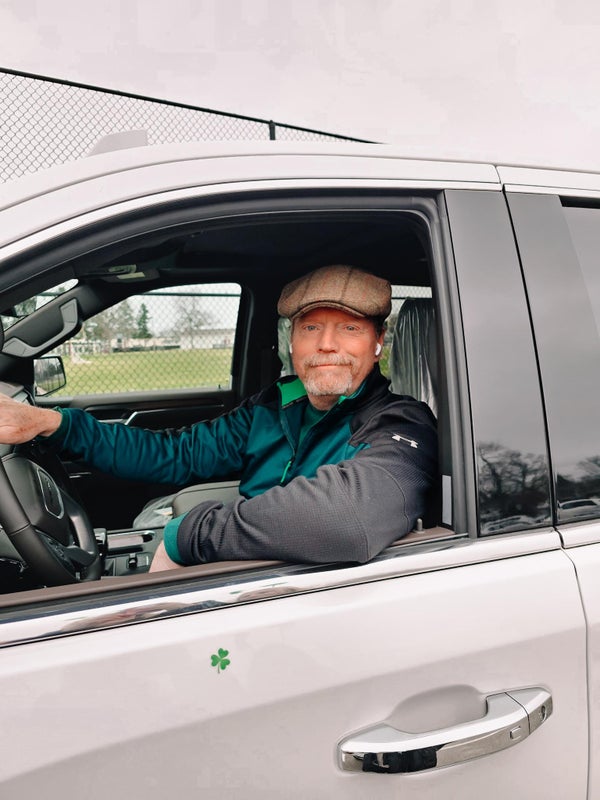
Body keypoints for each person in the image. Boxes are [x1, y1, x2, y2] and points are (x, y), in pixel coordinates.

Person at [0, 265, 438, 573]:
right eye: (310, 327)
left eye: (350, 328)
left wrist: (186, 536)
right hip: (240, 574)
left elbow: (346, 520)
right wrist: (52, 424)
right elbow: (173, 454)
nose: (326, 344)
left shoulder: (400, 423)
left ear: (379, 341)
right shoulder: (274, 406)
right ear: (293, 341)